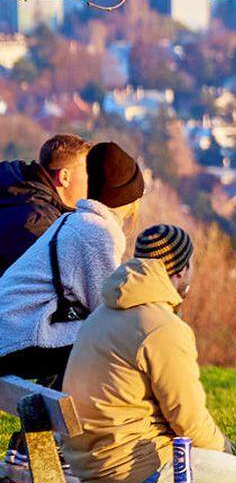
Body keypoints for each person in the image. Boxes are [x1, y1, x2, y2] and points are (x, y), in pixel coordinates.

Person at [62, 225, 236, 483]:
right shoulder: (162, 328)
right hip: (129, 464)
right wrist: (229, 453)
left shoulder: (105, 311)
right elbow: (188, 419)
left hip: (88, 458)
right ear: (181, 270)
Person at [0, 142, 143, 388]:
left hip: (11, 335)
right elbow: (106, 307)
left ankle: (54, 416)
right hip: (16, 342)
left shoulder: (72, 220)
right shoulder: (99, 231)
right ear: (130, 198)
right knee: (117, 340)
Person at [0, 134, 90, 274]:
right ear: (64, 177)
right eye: (89, 175)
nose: (94, 183)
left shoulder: (18, 189)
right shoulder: (39, 224)